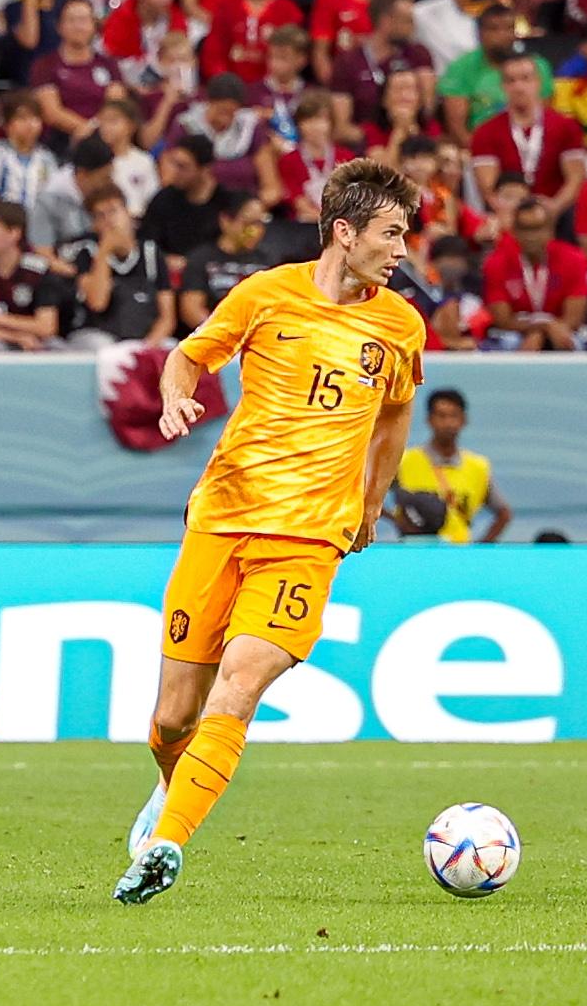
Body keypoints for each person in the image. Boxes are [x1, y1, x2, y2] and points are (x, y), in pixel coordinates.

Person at [123, 161, 428, 906]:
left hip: (308, 539)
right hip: (222, 521)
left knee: (241, 682)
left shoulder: (400, 326)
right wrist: (174, 398)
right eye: (391, 234)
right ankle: (171, 791)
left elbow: (394, 416)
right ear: (345, 231)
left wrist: (371, 503)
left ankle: (166, 847)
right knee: (172, 719)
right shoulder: (265, 295)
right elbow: (188, 356)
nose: (402, 251)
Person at [396, 387, 512, 543]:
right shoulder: (404, 461)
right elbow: (369, 496)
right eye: (441, 416)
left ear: (464, 420)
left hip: (459, 550)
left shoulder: (477, 467)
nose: (448, 423)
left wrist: (480, 548)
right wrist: (396, 521)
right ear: (429, 419)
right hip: (413, 549)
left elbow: (503, 513)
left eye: (453, 416)